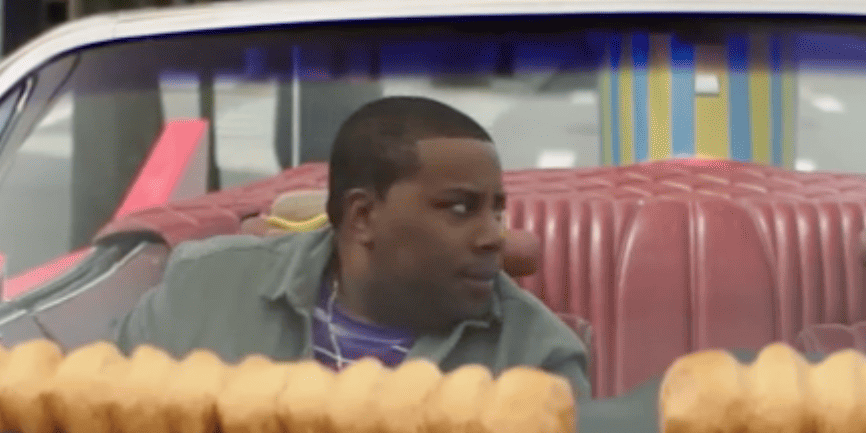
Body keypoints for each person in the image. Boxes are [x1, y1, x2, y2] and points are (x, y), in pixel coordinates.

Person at [113, 96, 592, 398]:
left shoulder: (538, 357)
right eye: (461, 209)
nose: (493, 236)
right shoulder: (200, 292)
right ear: (364, 216)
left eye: (497, 211)